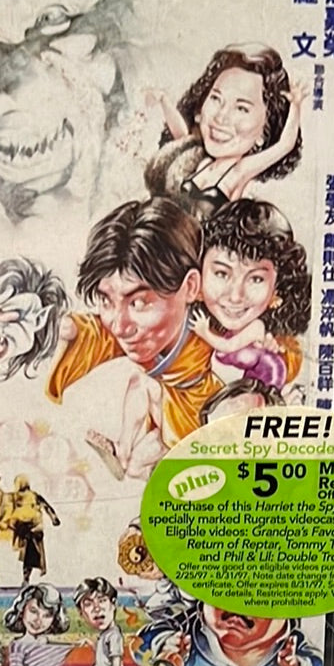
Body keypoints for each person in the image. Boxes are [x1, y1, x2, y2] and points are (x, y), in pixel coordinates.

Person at [46, 198, 223, 481]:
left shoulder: (214, 322)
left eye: (139, 303)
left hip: (204, 419)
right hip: (164, 416)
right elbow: (100, 335)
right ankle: (127, 453)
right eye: (106, 301)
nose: (119, 325)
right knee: (138, 464)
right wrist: (71, 330)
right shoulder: (135, 330)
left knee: (143, 387)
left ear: (190, 287)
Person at [144, 44, 306, 221]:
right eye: (216, 98)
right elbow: (182, 136)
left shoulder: (239, 171)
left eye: (241, 108)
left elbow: (285, 145)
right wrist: (164, 100)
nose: (221, 117)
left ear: (263, 133)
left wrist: (295, 105)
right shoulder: (203, 161)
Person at [191, 199, 310, 392]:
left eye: (255, 279)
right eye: (221, 273)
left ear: (277, 287)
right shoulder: (182, 331)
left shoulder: (275, 342)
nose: (236, 296)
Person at [134, 600, 322, 666]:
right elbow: (142, 641)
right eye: (224, 592)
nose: (237, 606)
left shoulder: (293, 646)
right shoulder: (186, 628)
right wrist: (164, 645)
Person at [4, 583, 73, 666]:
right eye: (33, 611)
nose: (38, 621)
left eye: (47, 616)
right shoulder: (18, 647)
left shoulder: (57, 647)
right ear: (22, 609)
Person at [7, 475, 60, 584]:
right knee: (28, 553)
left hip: (34, 529)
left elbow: (46, 507)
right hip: (24, 530)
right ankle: (26, 577)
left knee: (30, 553)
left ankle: (26, 577)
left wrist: (54, 518)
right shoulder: (16, 497)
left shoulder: (34, 496)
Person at [74, 576, 124, 666]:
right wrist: (89, 642)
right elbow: (102, 653)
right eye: (88, 604)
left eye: (102, 600)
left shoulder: (114, 635)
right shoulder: (106, 634)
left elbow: (116, 660)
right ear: (81, 613)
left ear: (114, 604)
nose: (97, 608)